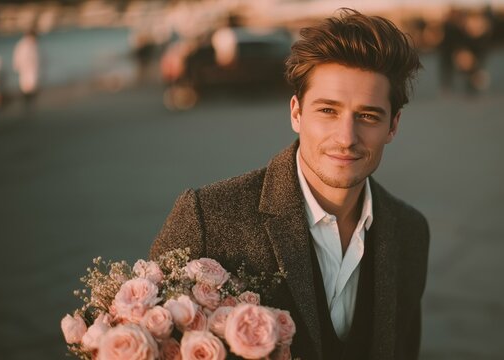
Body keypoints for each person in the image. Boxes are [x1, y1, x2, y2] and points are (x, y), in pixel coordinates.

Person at [150, 8, 429, 360]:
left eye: (368, 116)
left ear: (393, 126)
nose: (346, 138)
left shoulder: (411, 232)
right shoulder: (207, 218)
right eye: (327, 110)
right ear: (296, 112)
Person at [13, 30, 40, 103]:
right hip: (26, 68)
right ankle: (28, 101)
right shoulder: (22, 45)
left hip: (30, 68)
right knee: (27, 85)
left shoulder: (32, 44)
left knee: (31, 85)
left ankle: (29, 101)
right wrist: (17, 66)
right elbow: (18, 57)